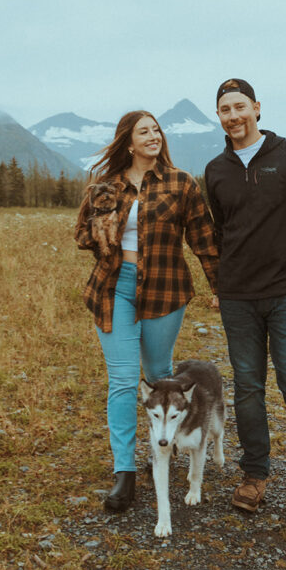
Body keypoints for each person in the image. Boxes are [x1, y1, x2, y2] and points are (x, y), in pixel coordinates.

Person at [205, 78, 286, 534]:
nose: (233, 115)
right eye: (224, 109)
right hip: (238, 298)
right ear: (219, 117)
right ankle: (254, 476)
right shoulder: (216, 169)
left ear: (257, 108)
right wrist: (222, 283)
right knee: (247, 387)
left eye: (239, 106)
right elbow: (222, 233)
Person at [74, 110, 219, 513]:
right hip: (114, 288)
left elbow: (204, 240)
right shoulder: (105, 186)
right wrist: (103, 224)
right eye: (144, 131)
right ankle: (125, 473)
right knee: (122, 381)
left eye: (156, 129)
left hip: (165, 289)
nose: (153, 135)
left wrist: (221, 287)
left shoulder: (181, 183)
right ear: (129, 141)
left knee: (159, 377)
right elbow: (82, 236)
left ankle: (166, 446)